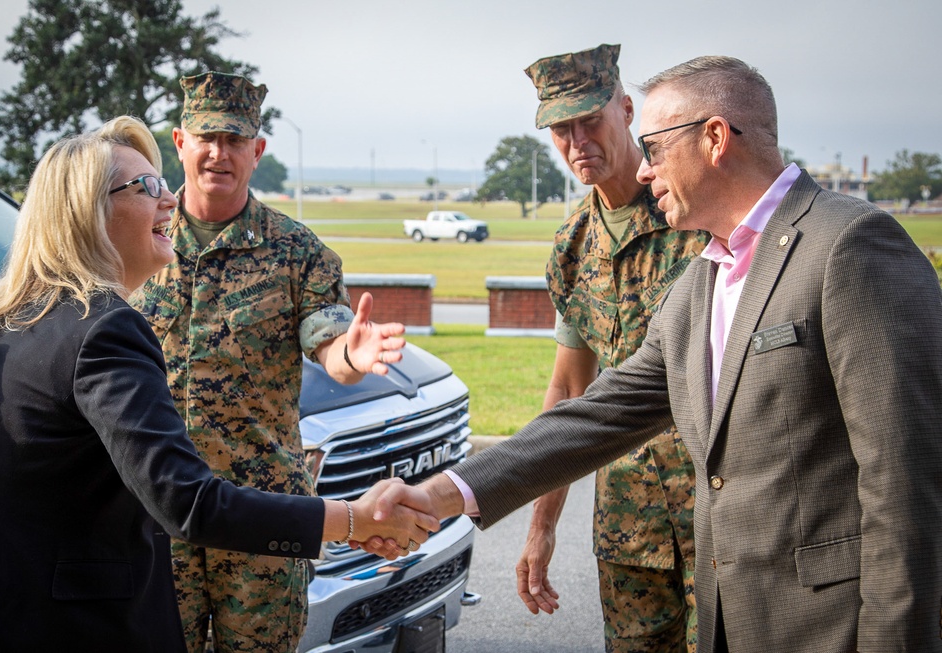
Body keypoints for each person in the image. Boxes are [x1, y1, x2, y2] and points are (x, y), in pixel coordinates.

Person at [374, 55, 942, 653]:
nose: (644, 172)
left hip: (827, 627)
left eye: (655, 147)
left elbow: (907, 482)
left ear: (715, 138)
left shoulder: (849, 245)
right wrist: (439, 494)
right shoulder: (703, 281)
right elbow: (599, 413)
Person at [0, 116, 435, 653]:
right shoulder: (104, 326)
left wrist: (346, 354)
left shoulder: (0, 317)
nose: (168, 200)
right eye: (148, 186)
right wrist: (352, 520)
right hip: (60, 622)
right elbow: (189, 504)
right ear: (89, 210)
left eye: (162, 183)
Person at [128, 71, 397, 653]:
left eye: (234, 140)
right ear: (179, 142)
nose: (218, 153)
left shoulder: (298, 252)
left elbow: (330, 344)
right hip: (154, 513)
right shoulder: (138, 238)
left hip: (262, 515)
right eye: (206, 138)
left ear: (257, 150)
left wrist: (353, 352)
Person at [518, 43, 706, 653]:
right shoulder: (573, 248)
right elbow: (571, 390)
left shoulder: (700, 213)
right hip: (629, 527)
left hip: (718, 517)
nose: (577, 143)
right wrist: (542, 525)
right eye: (560, 129)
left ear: (626, 110)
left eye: (589, 121)